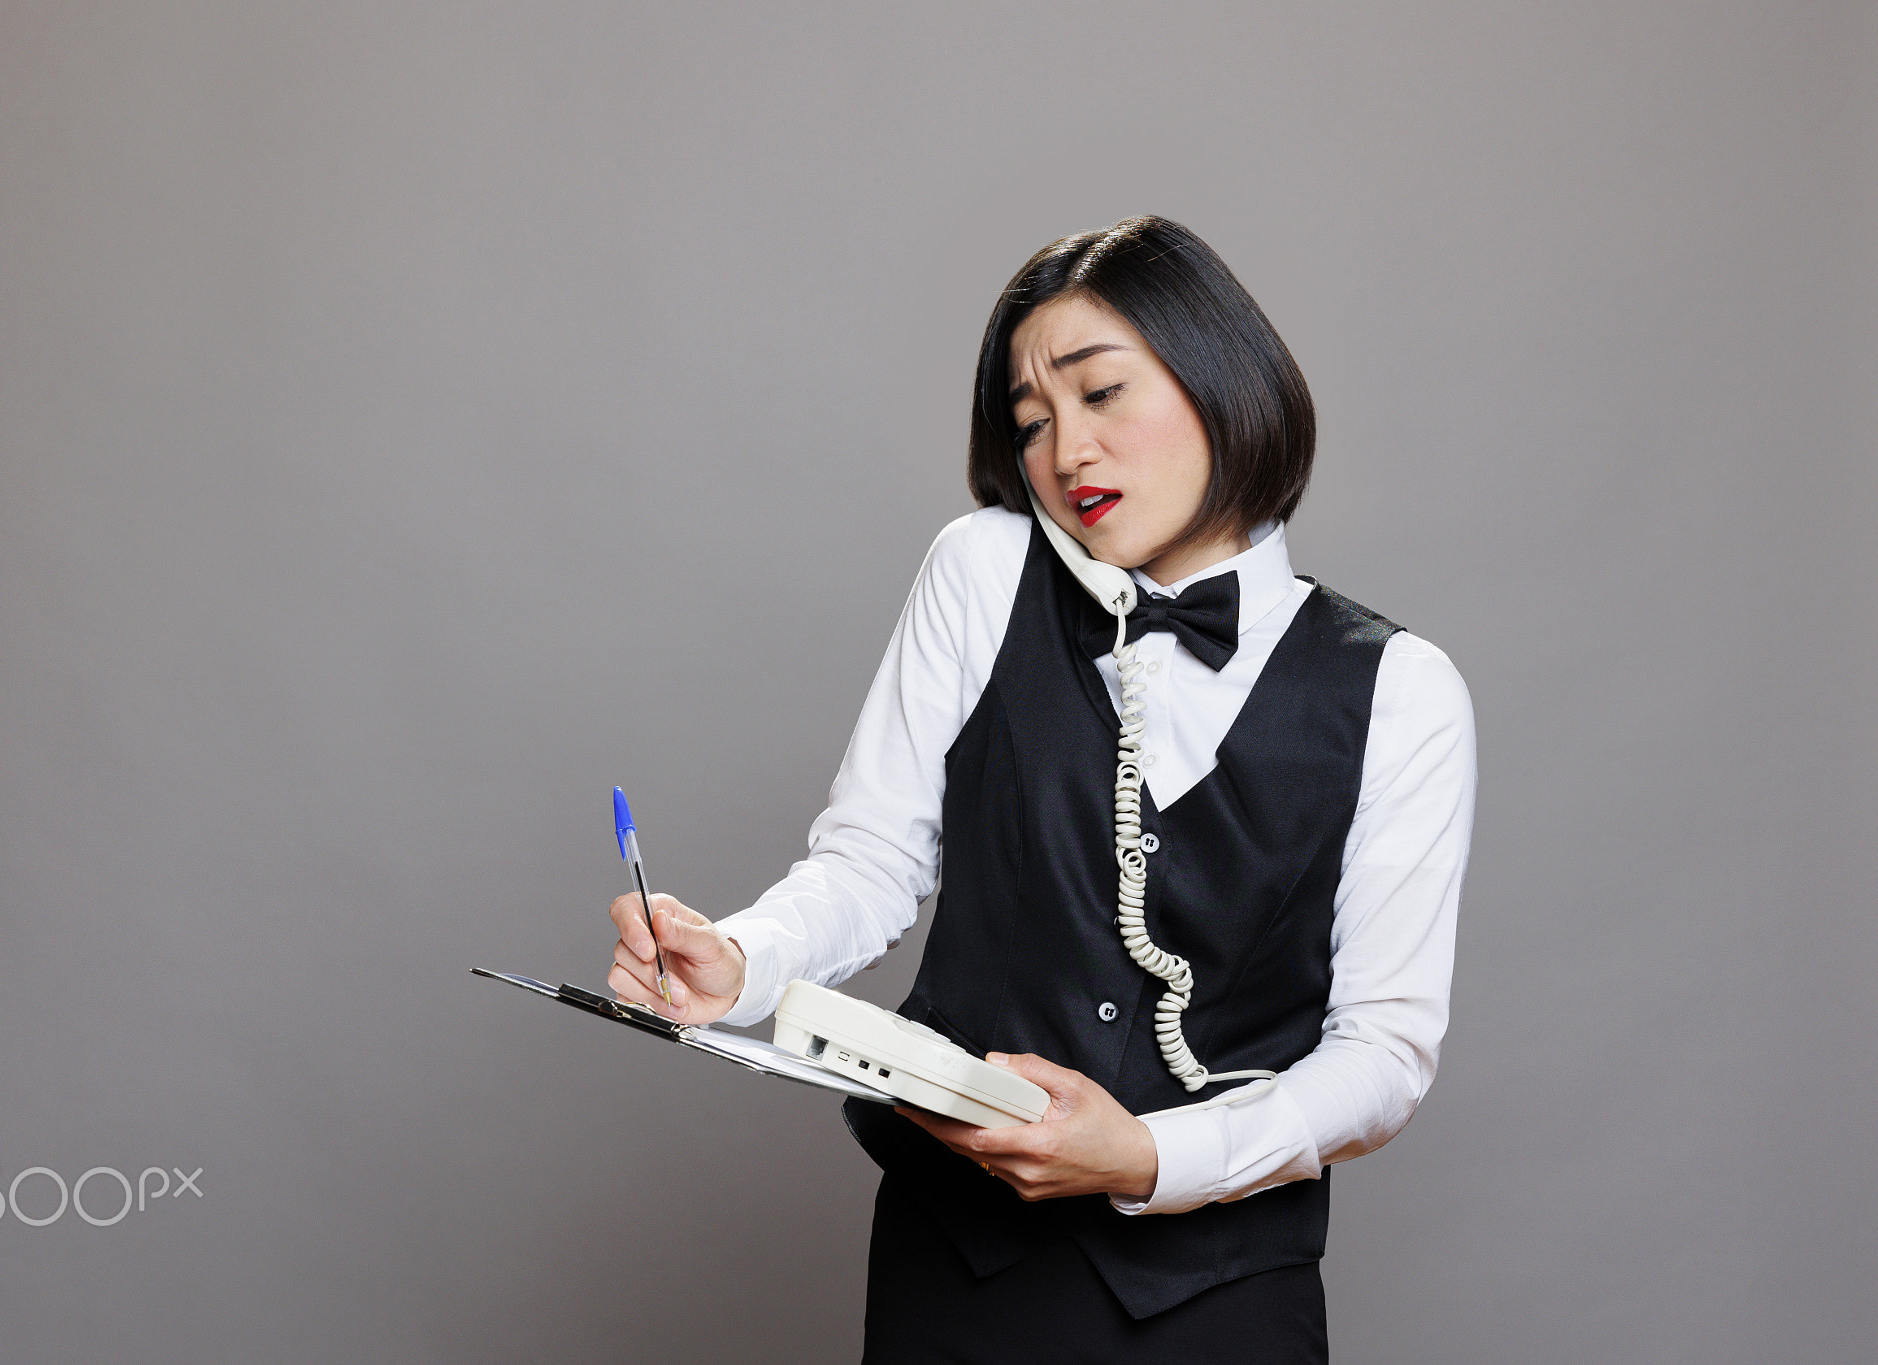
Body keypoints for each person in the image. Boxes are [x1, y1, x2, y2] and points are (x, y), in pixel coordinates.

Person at [604, 216, 1477, 1364]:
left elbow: (1381, 1057)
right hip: (957, 1273)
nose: (1067, 453)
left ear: (1222, 378)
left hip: (1221, 1304)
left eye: (1101, 392)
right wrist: (741, 959)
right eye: (1030, 423)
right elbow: (871, 861)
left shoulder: (1403, 691)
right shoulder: (980, 570)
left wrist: (1149, 1160)